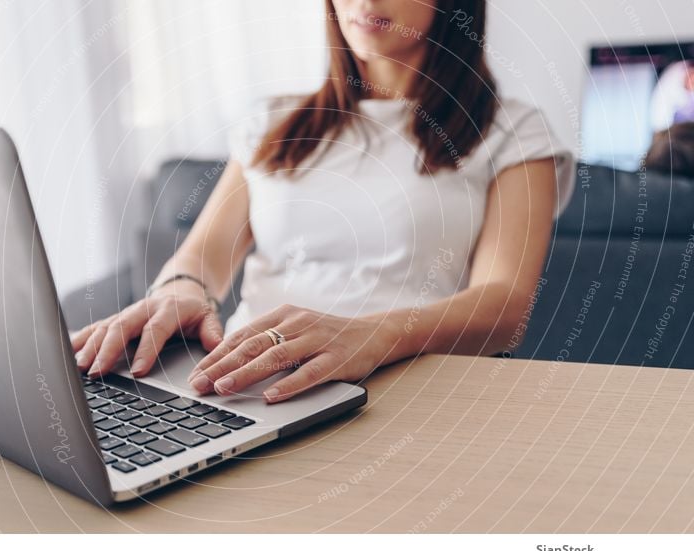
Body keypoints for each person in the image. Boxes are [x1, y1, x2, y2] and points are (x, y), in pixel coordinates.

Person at [72, 0, 575, 404]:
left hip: (408, 390)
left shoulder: (513, 131)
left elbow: (506, 306)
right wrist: (181, 289)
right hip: (241, 390)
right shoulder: (274, 122)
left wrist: (372, 335)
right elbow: (205, 253)